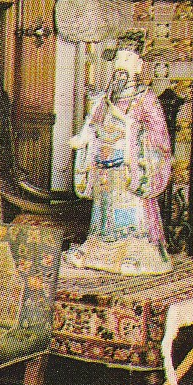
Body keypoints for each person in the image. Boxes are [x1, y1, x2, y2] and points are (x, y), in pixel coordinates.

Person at [62, 47, 174, 276]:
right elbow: (93, 123)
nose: (120, 66)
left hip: (129, 168)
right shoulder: (106, 98)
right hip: (105, 166)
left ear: (138, 66)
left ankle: (134, 251)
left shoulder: (146, 98)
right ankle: (95, 249)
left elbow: (158, 135)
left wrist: (127, 123)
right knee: (103, 213)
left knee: (128, 212)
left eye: (127, 60)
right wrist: (83, 138)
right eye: (118, 61)